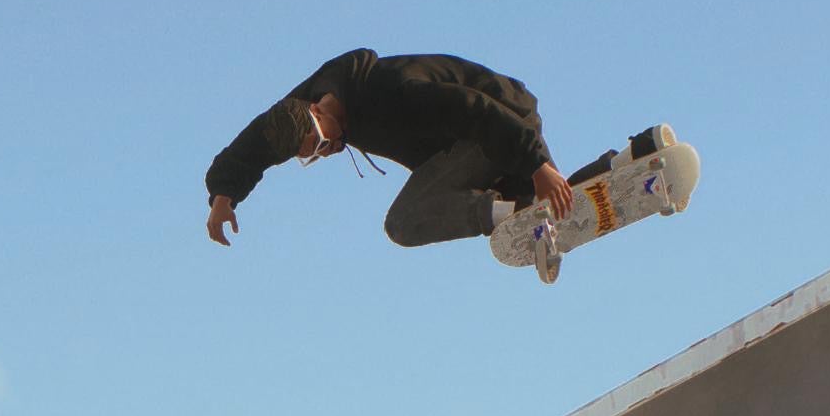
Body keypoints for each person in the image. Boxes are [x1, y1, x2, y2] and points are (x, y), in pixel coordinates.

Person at [204, 48, 580, 250]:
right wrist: (224, 194)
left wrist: (537, 163)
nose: (328, 150)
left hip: (500, 125)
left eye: (321, 142)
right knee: (566, 201)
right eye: (314, 156)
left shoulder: (392, 90)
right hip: (473, 148)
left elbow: (477, 111)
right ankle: (626, 158)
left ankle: (519, 211)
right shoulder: (304, 106)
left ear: (318, 110)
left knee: (404, 221)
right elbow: (258, 140)